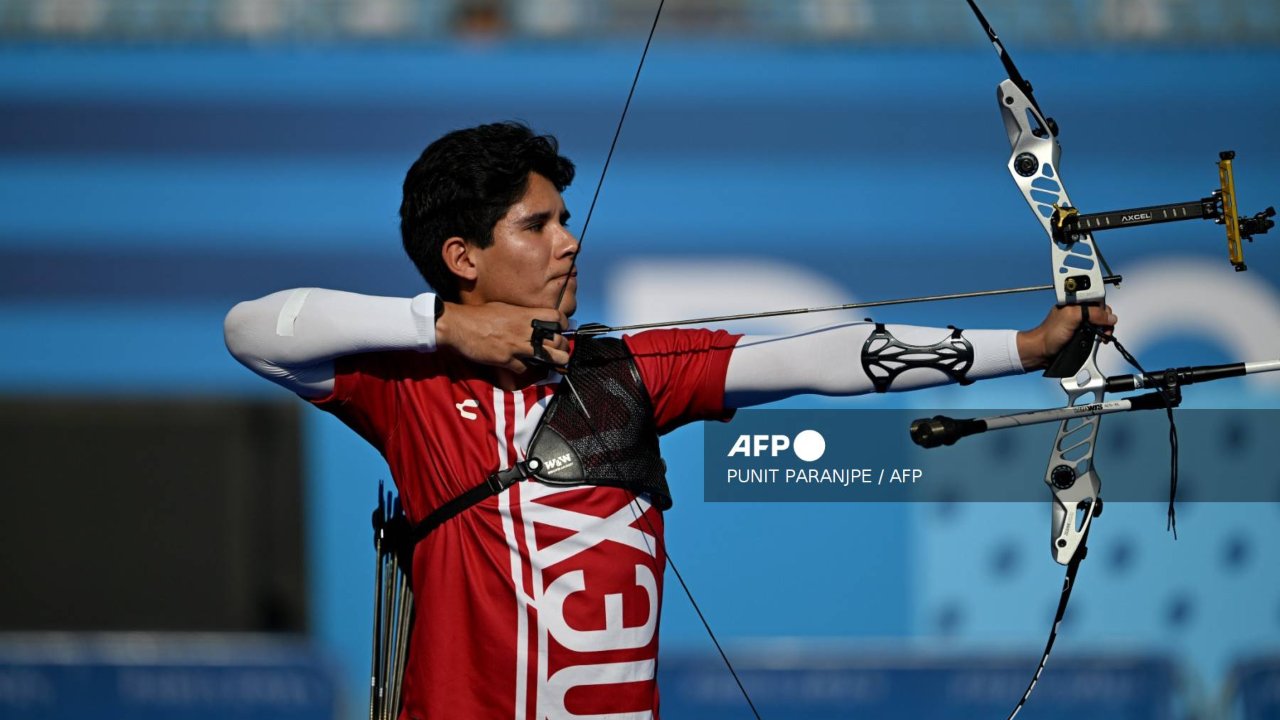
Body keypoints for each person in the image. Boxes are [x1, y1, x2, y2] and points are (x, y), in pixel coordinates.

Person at [224, 121, 1115, 719]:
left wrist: (1029, 348)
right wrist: (445, 325)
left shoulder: (626, 371)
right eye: (537, 226)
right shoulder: (407, 386)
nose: (570, 240)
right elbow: (253, 331)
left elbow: (814, 355)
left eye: (566, 220)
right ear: (462, 257)